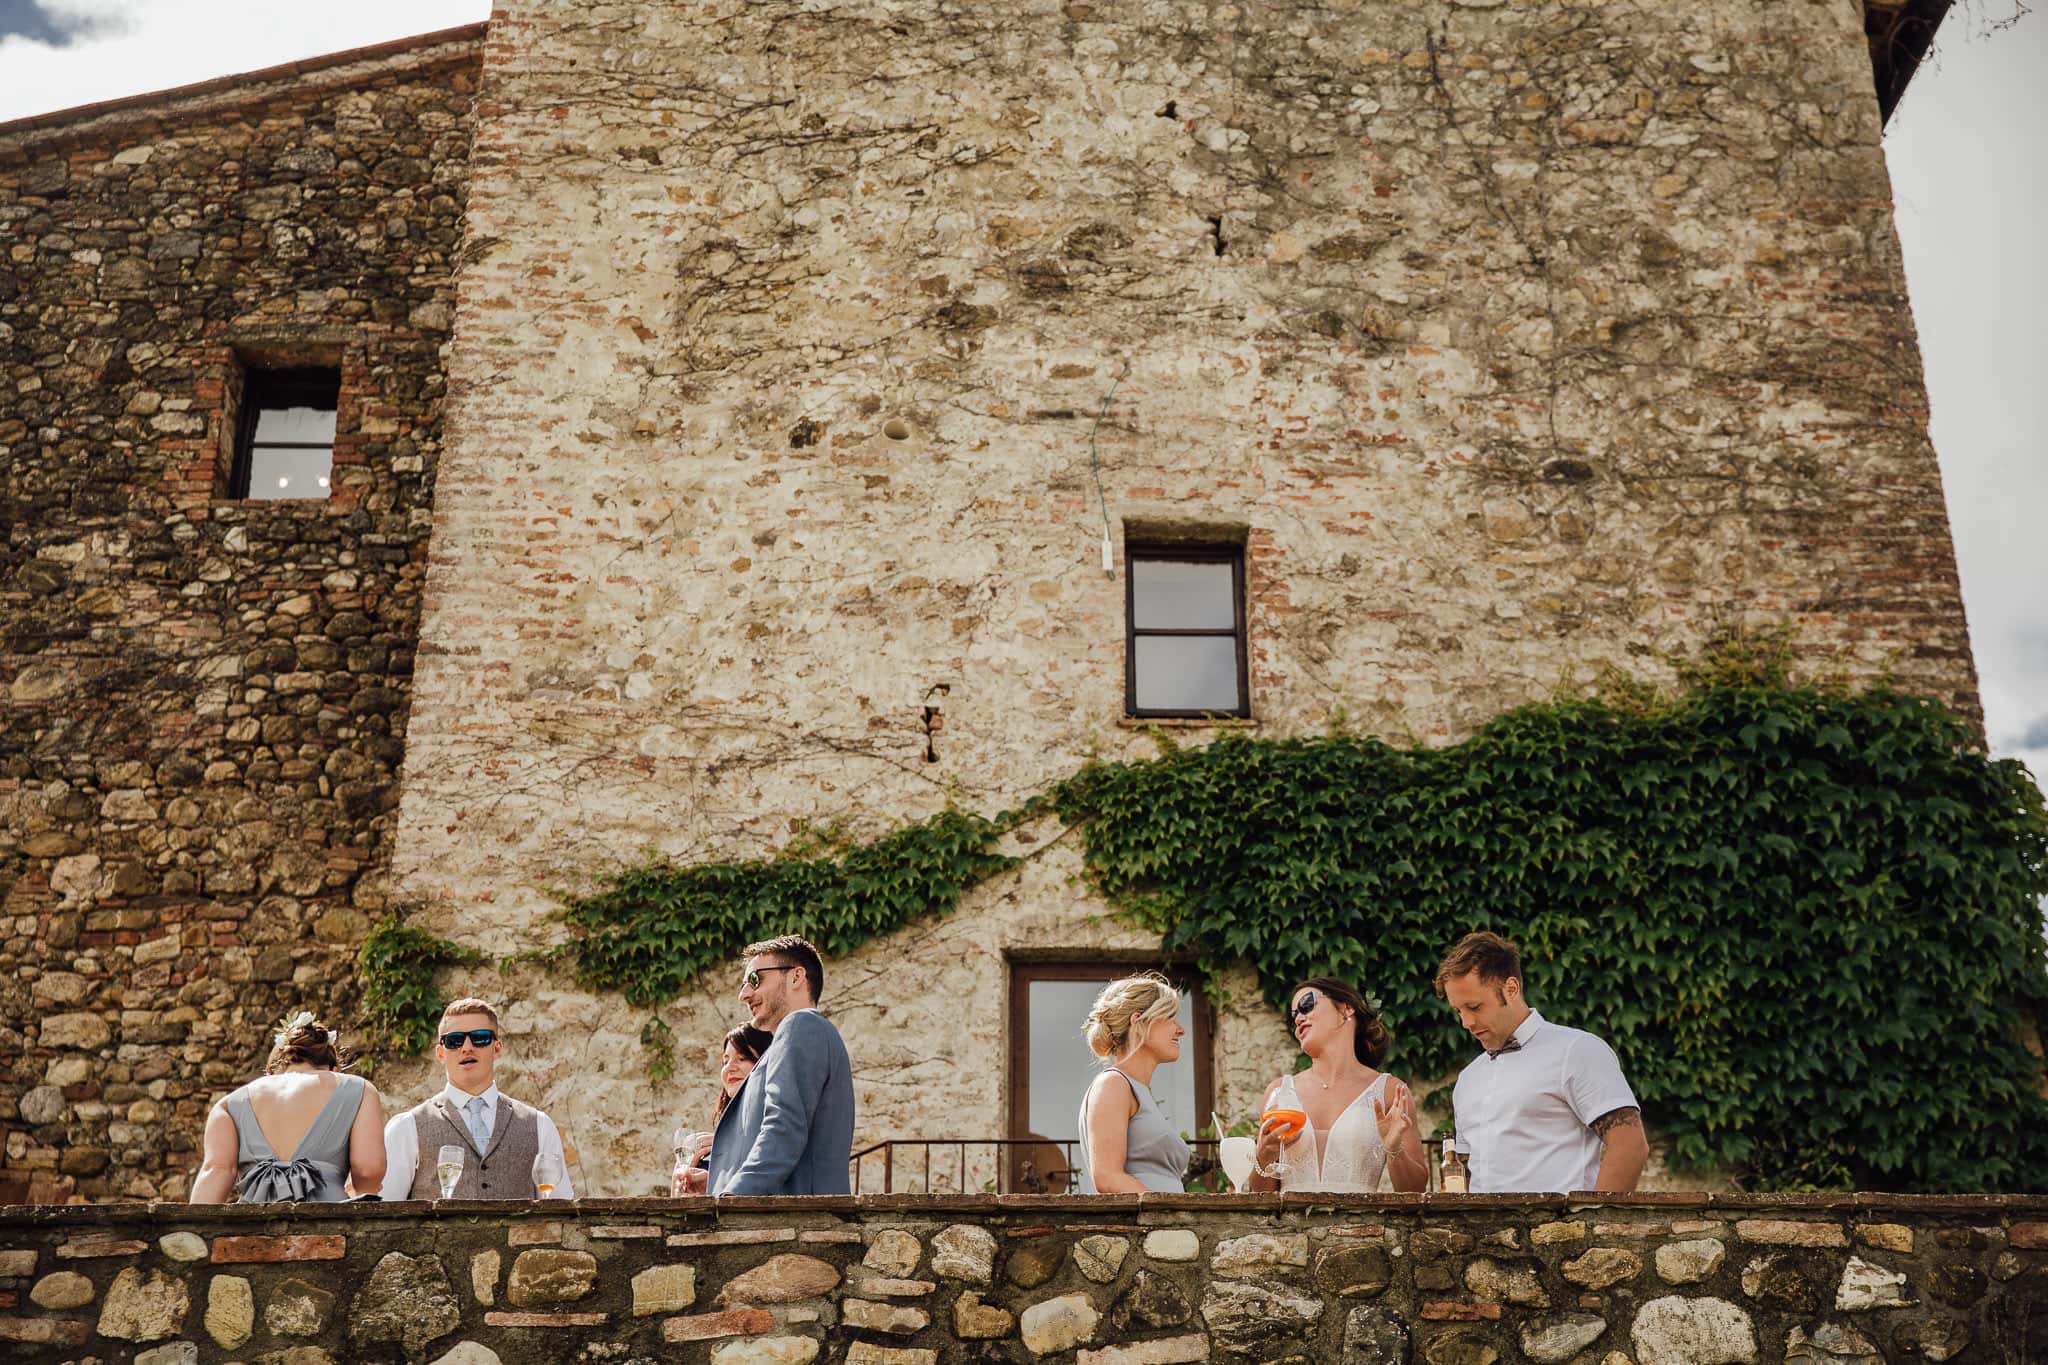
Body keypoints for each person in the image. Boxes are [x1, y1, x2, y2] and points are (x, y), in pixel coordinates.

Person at [1436, 931, 1647, 1192]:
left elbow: (1630, 1146)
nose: (1466, 1023)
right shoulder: (1467, 1078)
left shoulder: (1577, 1050)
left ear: (1511, 988)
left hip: (1562, 1231)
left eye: (1475, 1007)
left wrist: (1595, 1222)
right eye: (1459, 1011)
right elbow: (1466, 1174)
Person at [379, 997, 575, 1199]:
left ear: (497, 1048)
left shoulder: (539, 1125)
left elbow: (560, 1212)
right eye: (454, 1041)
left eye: (480, 1038)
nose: (466, 1047)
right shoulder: (407, 1127)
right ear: (440, 1053)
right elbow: (386, 1214)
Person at [704, 935, 857, 1196]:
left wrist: (732, 1198)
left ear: (796, 977)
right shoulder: (792, 1040)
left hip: (799, 1225)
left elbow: (784, 1129)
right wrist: (716, 1181)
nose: (744, 995)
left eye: (754, 979)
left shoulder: (801, 1024)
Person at [1247, 977, 1428, 1193]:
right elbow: (1261, 1197)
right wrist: (1264, 1156)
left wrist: (1394, 1148)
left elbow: (1415, 1191)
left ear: (1346, 1008)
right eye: (1294, 1015)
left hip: (1361, 1226)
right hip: (1290, 1227)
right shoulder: (1278, 1093)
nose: (1299, 1019)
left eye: (1306, 1005)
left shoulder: (1390, 1091)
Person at [189, 1012, 387, 1203]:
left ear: (276, 1067)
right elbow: (368, 1169)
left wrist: (190, 1230)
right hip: (328, 1225)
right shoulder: (359, 1089)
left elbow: (216, 1170)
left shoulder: (228, 1105)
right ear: (334, 1068)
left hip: (252, 1228)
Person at [1078, 972, 1191, 1193]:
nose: (1181, 1029)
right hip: (1147, 1225)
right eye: (1170, 1018)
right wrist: (1166, 1215)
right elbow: (1107, 1177)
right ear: (1138, 1022)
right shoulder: (1113, 1084)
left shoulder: (1138, 1090)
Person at [671, 1023, 773, 1195]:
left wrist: (729, 1147)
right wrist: (685, 1174)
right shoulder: (709, 1146)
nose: (730, 1068)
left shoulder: (774, 1130)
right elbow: (680, 1203)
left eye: (742, 1058)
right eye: (726, 1061)